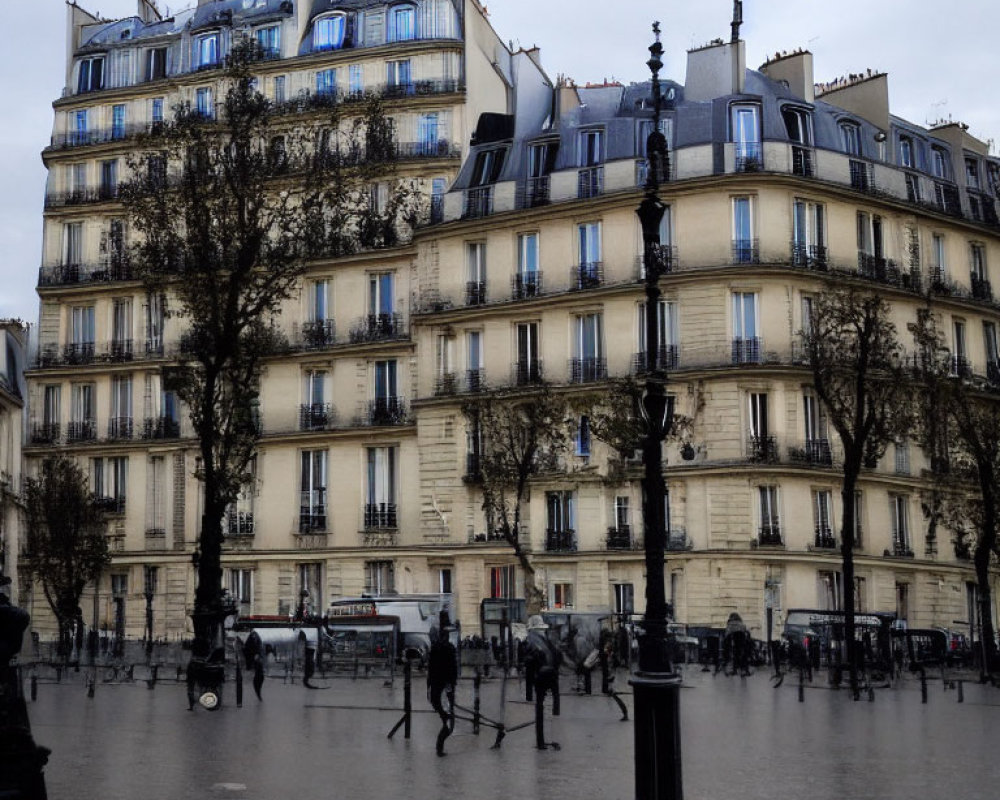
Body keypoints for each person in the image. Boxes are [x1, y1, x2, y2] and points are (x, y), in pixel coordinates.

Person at [523, 615, 562, 749]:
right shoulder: (543, 641)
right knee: (545, 709)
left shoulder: (536, 641)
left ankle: (543, 741)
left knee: (542, 709)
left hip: (542, 677)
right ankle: (544, 740)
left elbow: (529, 664)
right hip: (547, 677)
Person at [427, 613, 457, 756]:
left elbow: (430, 670)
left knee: (447, 719)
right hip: (445, 688)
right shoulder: (448, 648)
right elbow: (453, 670)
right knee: (449, 722)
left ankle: (439, 748)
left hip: (437, 689)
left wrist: (429, 687)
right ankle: (439, 748)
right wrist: (451, 684)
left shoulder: (435, 649)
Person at [723, 612, 751, 676]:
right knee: (743, 656)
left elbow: (727, 634)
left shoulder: (730, 623)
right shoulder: (741, 623)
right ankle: (744, 670)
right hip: (743, 642)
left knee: (735, 655)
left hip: (734, 642)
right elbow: (745, 631)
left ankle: (734, 670)